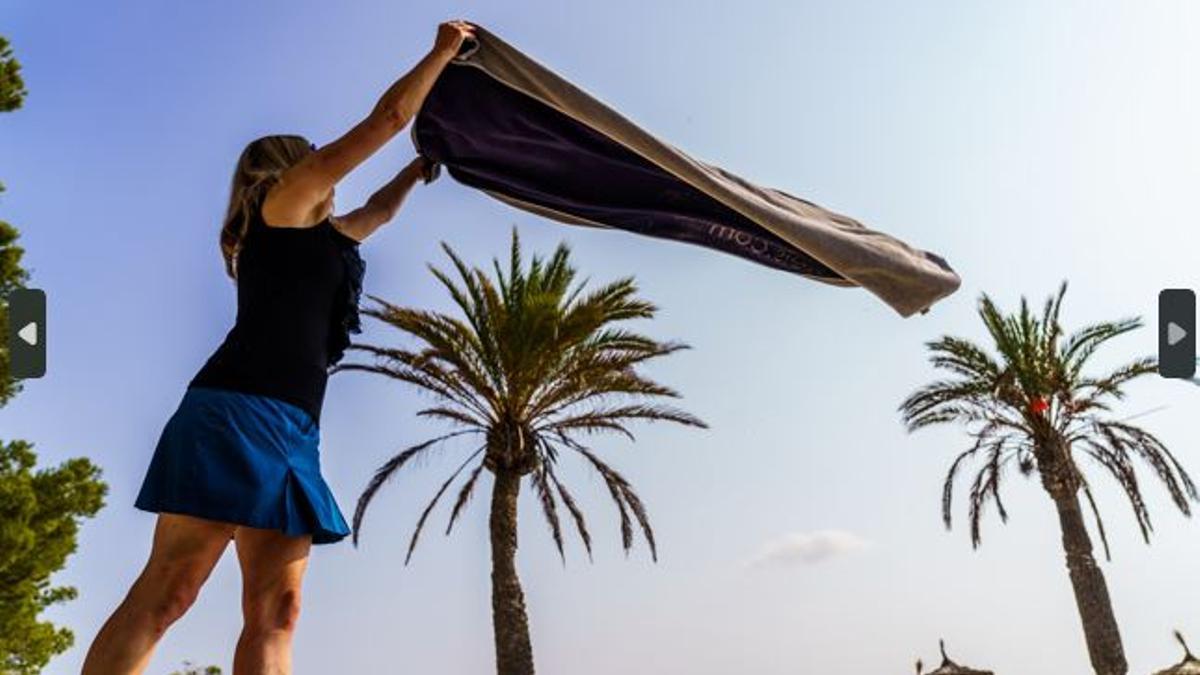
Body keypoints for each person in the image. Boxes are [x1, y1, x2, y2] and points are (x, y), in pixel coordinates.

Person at [81, 20, 476, 675]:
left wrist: (419, 167)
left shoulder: (328, 236)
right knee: (172, 591)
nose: (330, 166)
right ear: (291, 165)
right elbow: (388, 117)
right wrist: (441, 51)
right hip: (232, 411)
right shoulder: (285, 204)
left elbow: (377, 210)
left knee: (280, 610)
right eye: (317, 155)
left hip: (294, 431)